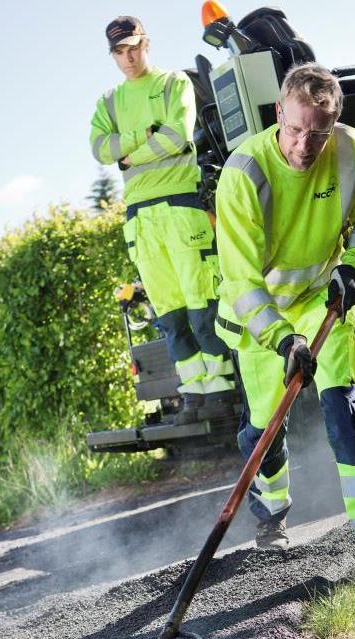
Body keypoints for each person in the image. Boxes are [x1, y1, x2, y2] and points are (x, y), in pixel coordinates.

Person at [214, 63, 355, 566]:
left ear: (334, 123)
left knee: (344, 406)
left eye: (317, 134)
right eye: (295, 129)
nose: (304, 145)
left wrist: (352, 266)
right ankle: (271, 518)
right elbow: (241, 281)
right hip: (262, 318)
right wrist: (283, 341)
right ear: (278, 113)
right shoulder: (244, 173)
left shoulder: (350, 148)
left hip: (325, 300)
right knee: (264, 430)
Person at [90, 16, 235, 424]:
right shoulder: (108, 102)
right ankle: (193, 394)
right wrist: (145, 138)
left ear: (146, 43)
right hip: (141, 219)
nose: (128, 57)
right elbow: (100, 149)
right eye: (119, 52)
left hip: (180, 208)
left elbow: (176, 135)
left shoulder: (174, 84)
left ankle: (220, 389)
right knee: (169, 313)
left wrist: (130, 154)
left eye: (133, 47)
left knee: (201, 302)